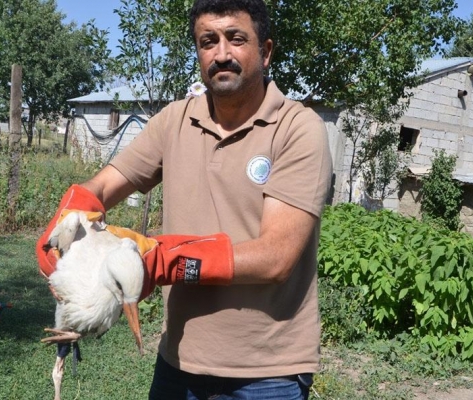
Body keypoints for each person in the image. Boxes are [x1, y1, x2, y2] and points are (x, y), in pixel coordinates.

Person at [36, 0, 332, 398]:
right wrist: (73, 211)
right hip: (179, 360)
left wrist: (162, 260)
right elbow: (103, 187)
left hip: (267, 372)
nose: (221, 53)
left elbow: (276, 256)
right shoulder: (175, 120)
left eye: (236, 38)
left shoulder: (298, 128)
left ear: (265, 51)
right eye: (208, 41)